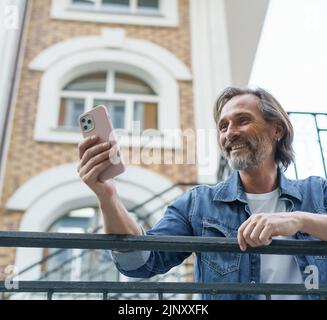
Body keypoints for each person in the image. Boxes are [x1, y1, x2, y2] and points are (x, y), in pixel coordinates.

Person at [77, 87, 327, 300]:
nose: (229, 133)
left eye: (243, 120)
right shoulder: (199, 204)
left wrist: (300, 220)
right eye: (223, 126)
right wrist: (107, 195)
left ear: (277, 130)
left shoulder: (316, 192)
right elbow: (142, 262)